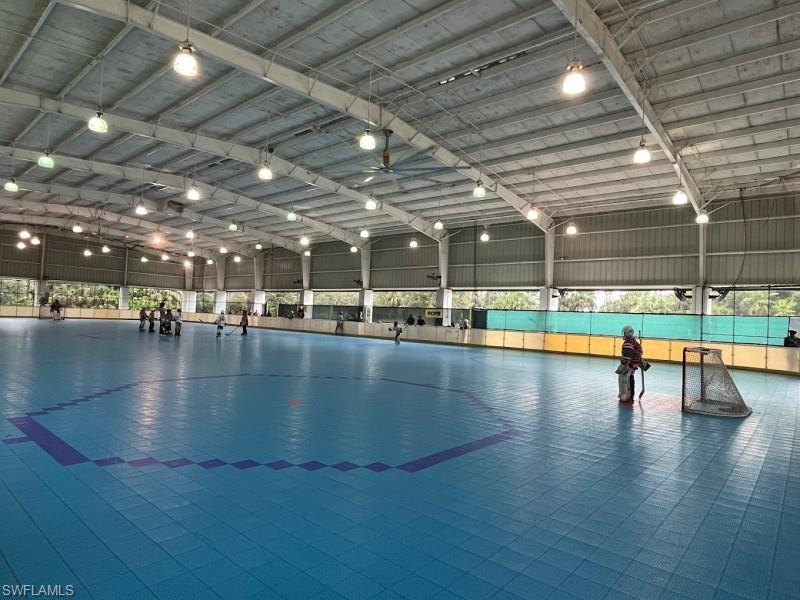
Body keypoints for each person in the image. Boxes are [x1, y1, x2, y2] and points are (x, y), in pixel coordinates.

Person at [616, 325, 643, 404]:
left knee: (626, 381)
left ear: (628, 333)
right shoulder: (633, 341)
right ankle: (628, 397)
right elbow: (638, 352)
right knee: (629, 380)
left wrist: (624, 364)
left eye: (625, 332)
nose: (624, 334)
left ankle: (628, 397)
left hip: (629, 365)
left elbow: (628, 356)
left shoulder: (629, 342)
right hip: (632, 364)